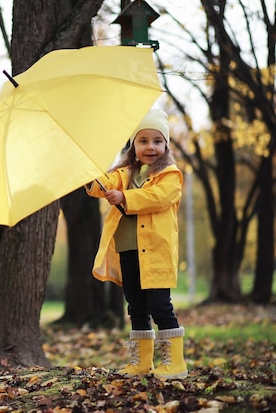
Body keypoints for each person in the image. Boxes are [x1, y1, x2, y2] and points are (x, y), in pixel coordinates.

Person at [86, 109, 188, 379]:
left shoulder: (170, 175)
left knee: (160, 305)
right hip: (128, 249)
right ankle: (143, 362)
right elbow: (104, 183)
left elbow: (157, 198)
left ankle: (175, 363)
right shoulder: (125, 172)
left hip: (155, 252)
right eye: (143, 141)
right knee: (136, 306)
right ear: (134, 145)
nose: (150, 147)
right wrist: (91, 176)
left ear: (166, 145)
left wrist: (125, 198)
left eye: (157, 141)